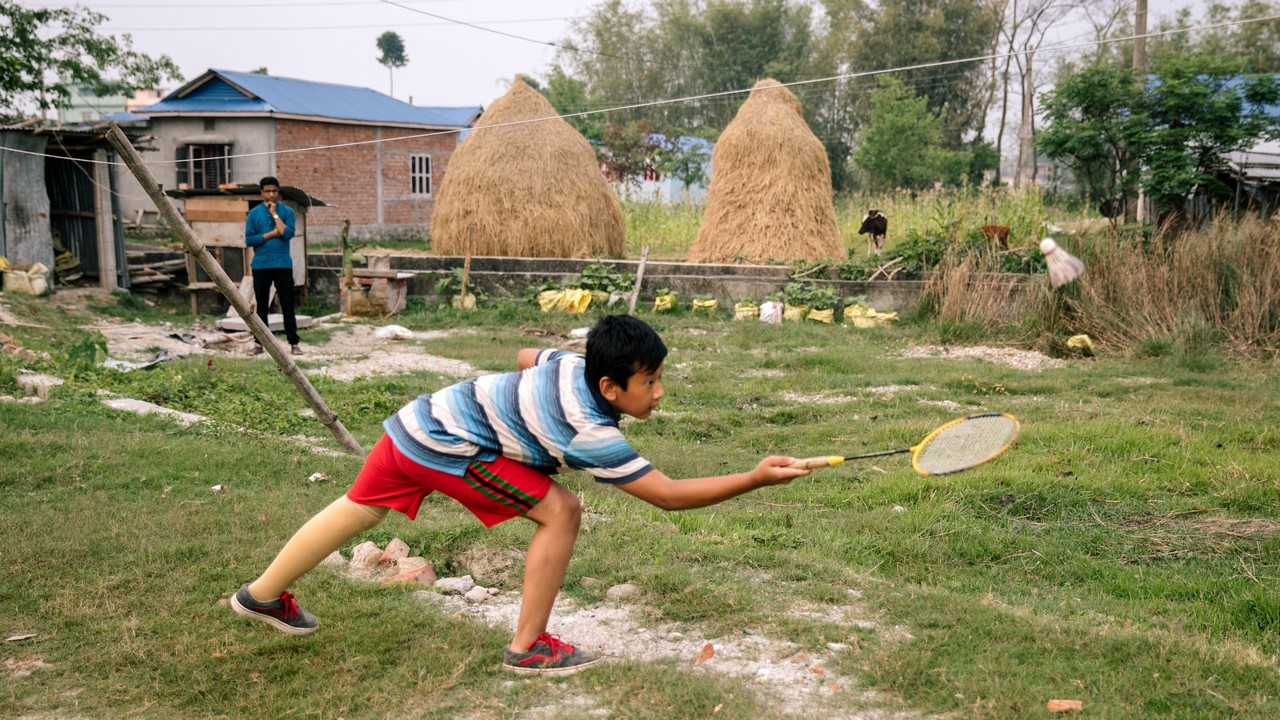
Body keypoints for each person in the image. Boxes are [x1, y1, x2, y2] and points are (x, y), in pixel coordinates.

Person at [230, 314, 810, 674]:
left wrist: (514, 414)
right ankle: (528, 647)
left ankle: (261, 595)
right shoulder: (590, 430)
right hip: (447, 444)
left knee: (361, 508)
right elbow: (669, 496)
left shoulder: (570, 363)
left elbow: (525, 358)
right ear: (609, 386)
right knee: (562, 510)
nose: (659, 393)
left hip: (419, 419)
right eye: (650, 382)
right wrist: (755, 477)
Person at [245, 176, 301, 356]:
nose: (271, 194)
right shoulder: (254, 214)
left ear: (278, 192)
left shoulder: (287, 212)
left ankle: (294, 342)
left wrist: (275, 214)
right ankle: (259, 343)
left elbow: (287, 234)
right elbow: (250, 240)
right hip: (261, 265)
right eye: (268, 191)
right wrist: (271, 234)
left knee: (287, 304)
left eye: (274, 191)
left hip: (282, 264)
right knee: (261, 305)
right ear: (262, 193)